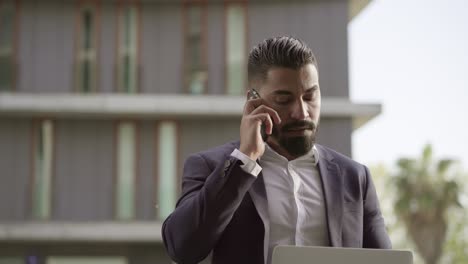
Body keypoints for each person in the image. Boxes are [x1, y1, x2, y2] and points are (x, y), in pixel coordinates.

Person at [162, 36, 391, 264]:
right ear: (253, 100)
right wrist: (245, 159)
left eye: (310, 96)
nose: (302, 112)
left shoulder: (355, 178)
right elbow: (182, 247)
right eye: (284, 99)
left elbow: (384, 261)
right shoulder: (210, 166)